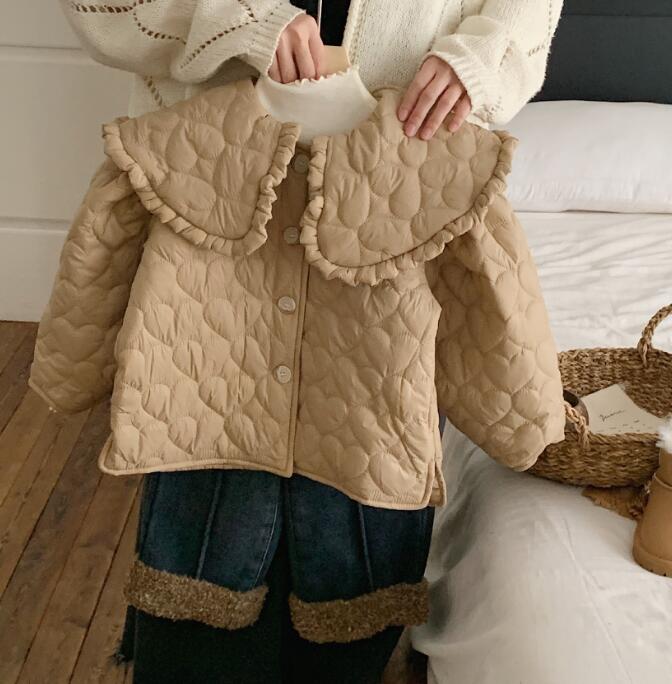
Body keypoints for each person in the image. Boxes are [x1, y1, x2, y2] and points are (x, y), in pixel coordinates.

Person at [58, 2, 562, 682]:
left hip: (402, 183)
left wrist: (484, 55)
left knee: (359, 494)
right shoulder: (155, 162)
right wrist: (238, 17)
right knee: (208, 493)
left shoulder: (464, 187)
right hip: (206, 174)